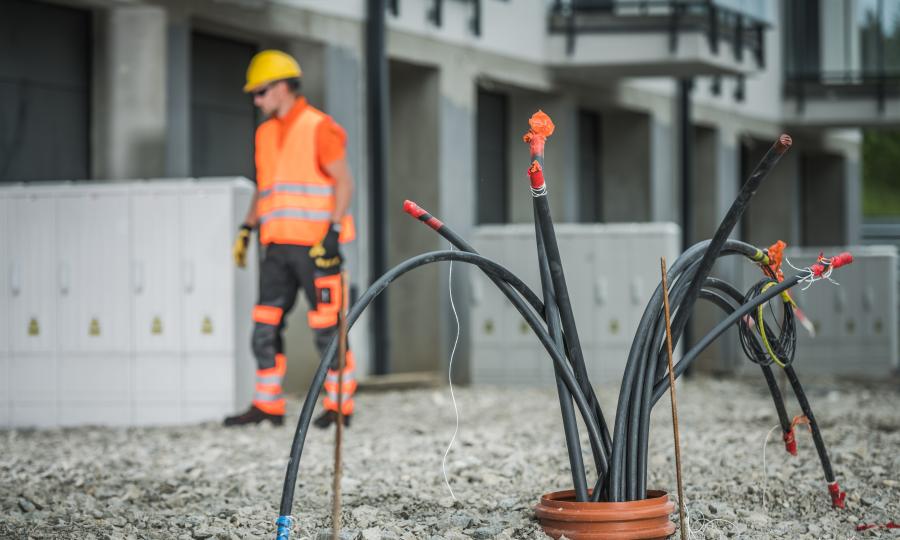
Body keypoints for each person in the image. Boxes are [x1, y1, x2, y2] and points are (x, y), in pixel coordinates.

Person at [224, 50, 356, 429]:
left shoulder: (319, 127)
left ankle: (340, 406)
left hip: (317, 250)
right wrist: (247, 227)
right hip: (277, 249)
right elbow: (266, 188)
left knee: (328, 330)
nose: (256, 100)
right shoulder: (265, 134)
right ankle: (267, 405)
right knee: (264, 328)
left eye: (261, 92)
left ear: (283, 87)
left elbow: (344, 183)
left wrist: (333, 232)